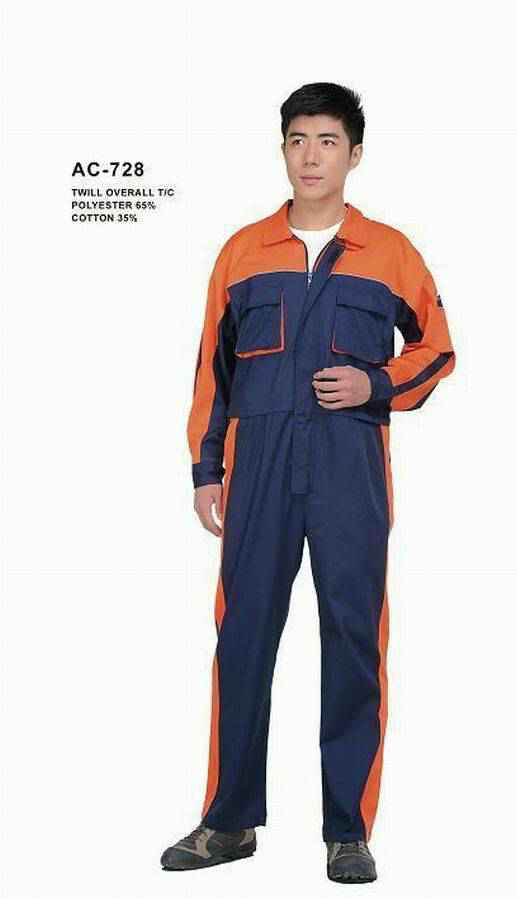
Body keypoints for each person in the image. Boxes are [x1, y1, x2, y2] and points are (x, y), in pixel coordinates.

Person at [161, 82, 456, 884]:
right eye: (298, 139)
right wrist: (206, 468)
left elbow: (437, 348)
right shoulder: (242, 251)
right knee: (243, 637)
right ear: (283, 150)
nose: (311, 155)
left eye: (328, 141)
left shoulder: (389, 252)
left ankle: (347, 829)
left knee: (354, 639)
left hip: (350, 470)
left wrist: (376, 384)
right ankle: (227, 821)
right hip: (257, 472)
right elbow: (212, 371)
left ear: (353, 154)